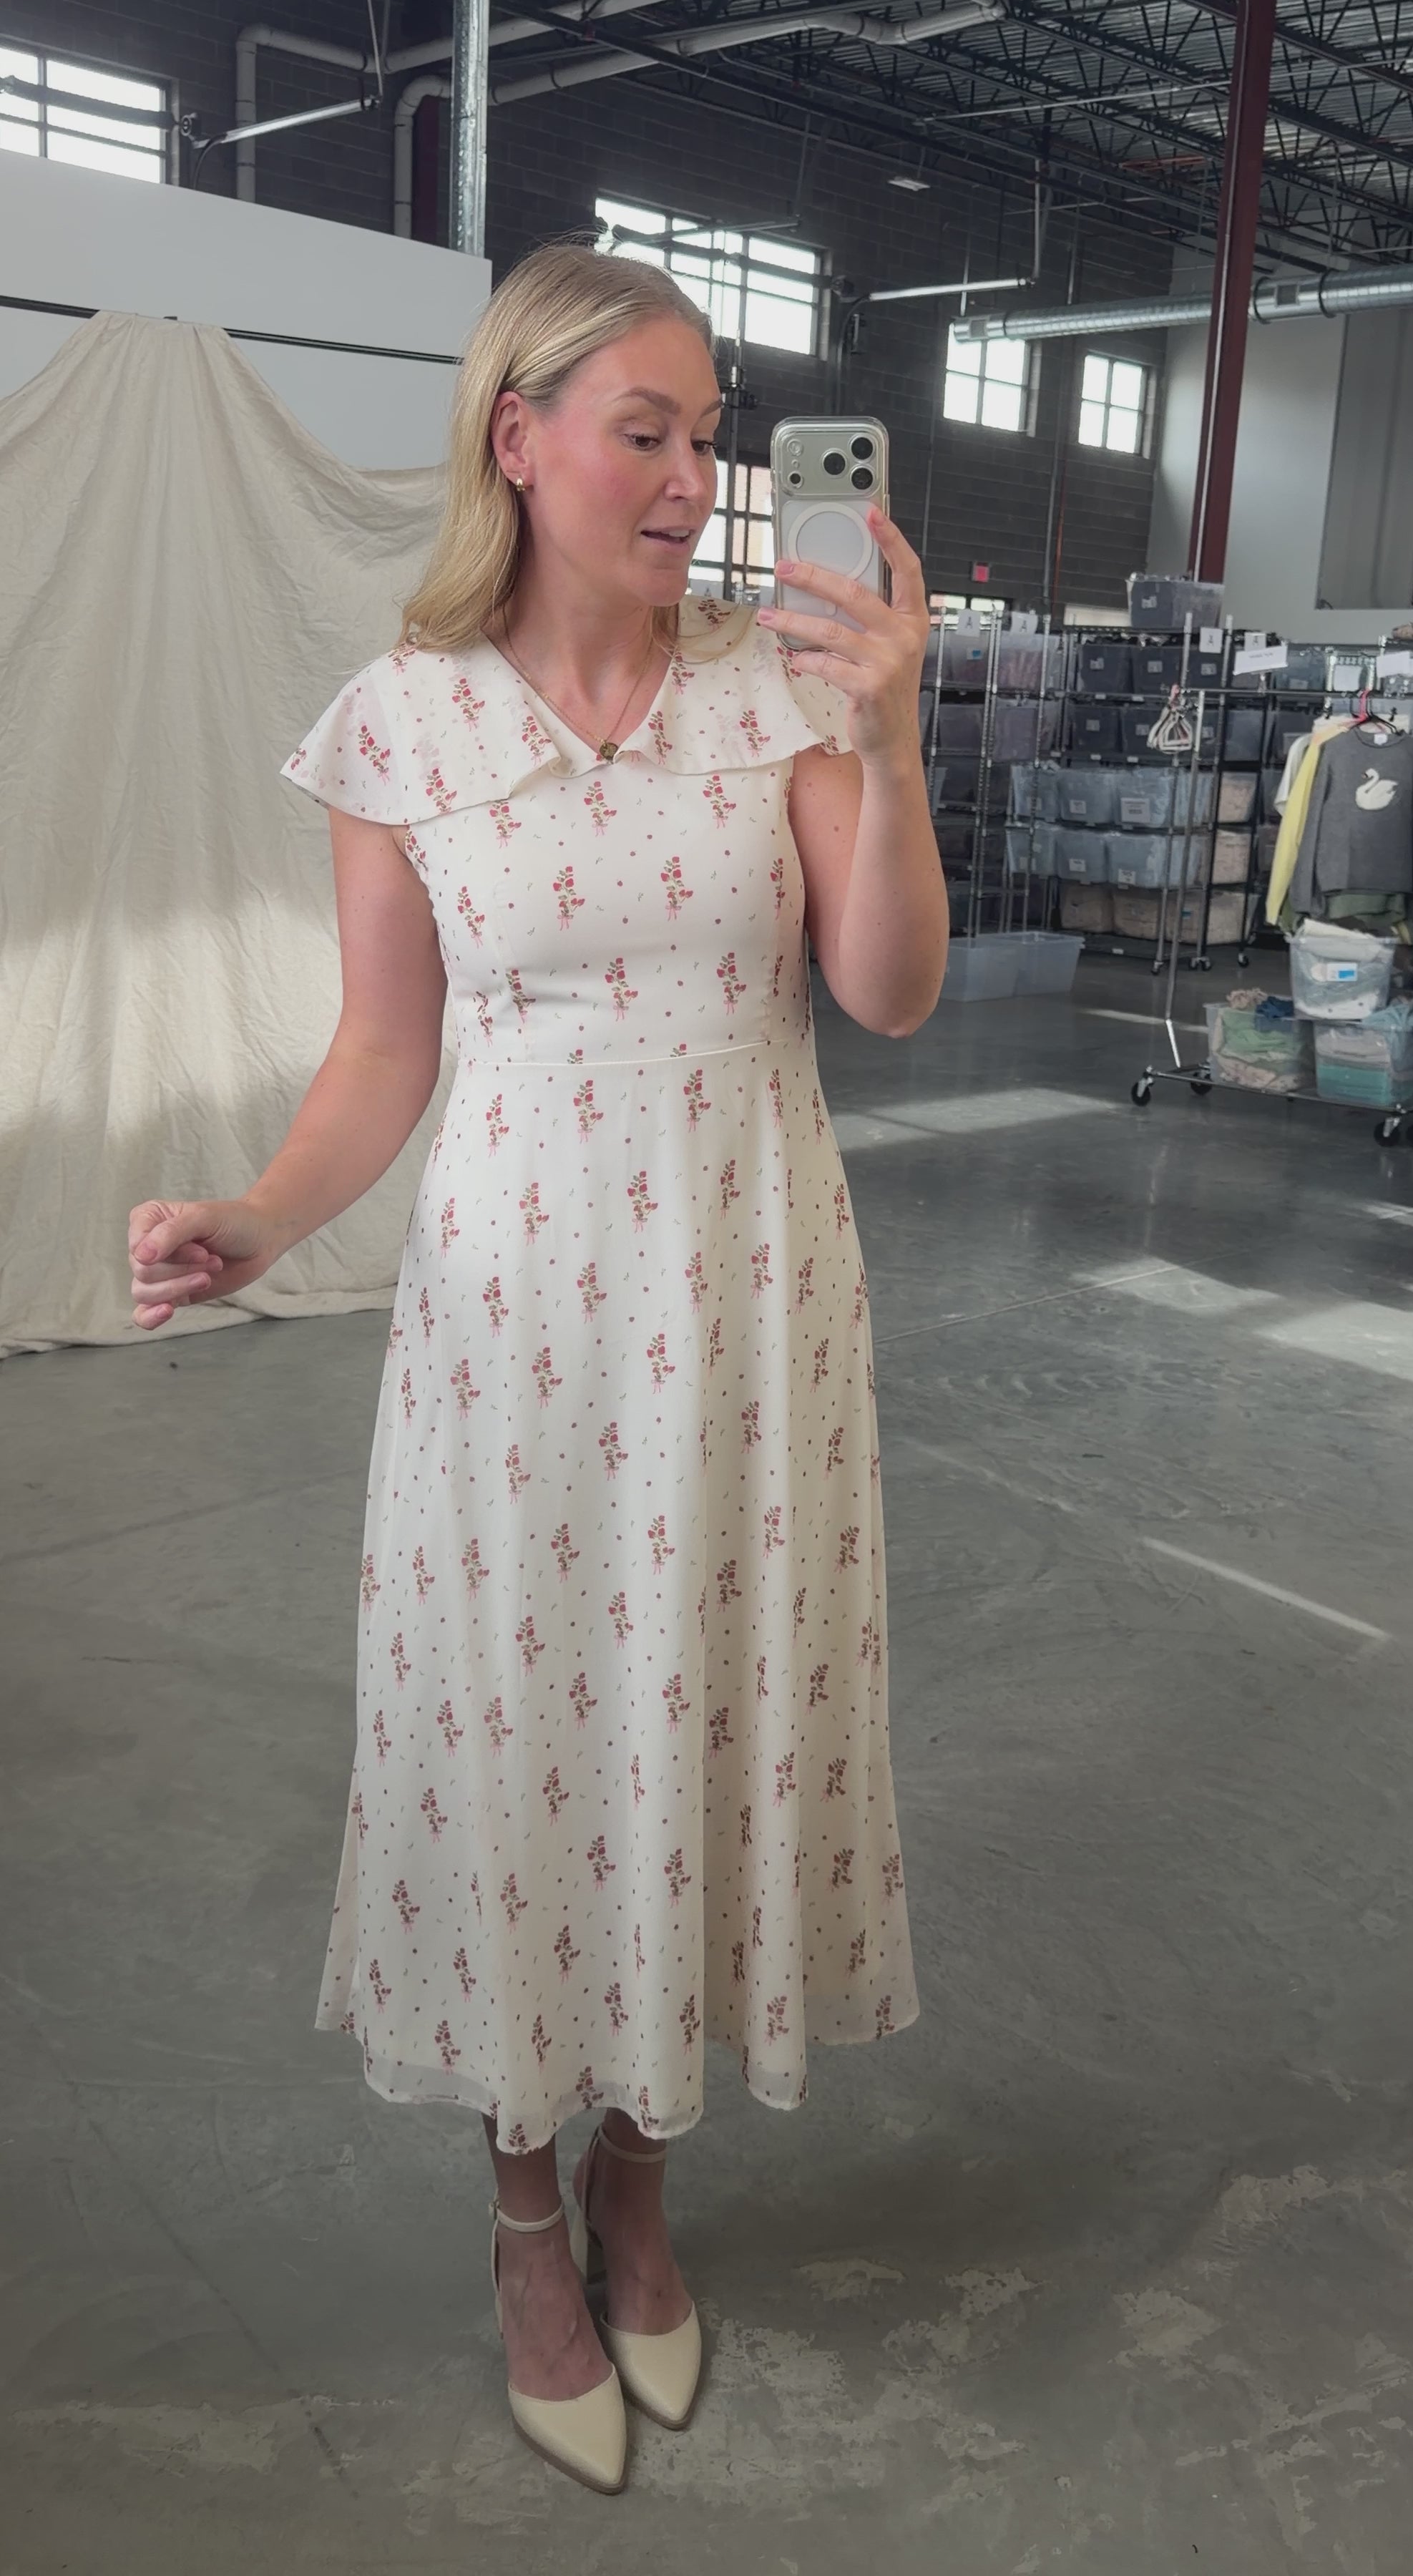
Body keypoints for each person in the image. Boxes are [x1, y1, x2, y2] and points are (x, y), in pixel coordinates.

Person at [126, 242, 949, 2496]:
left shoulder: (778, 693)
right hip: (514, 1338)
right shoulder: (401, 726)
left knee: (705, 1719)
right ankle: (523, 2211)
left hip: (748, 1309)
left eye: (712, 437)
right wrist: (261, 1216)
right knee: (522, 1741)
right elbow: (383, 1053)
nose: (693, 479)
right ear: (519, 437)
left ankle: (642, 2183)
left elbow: (885, 994)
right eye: (645, 432)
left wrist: (888, 740)